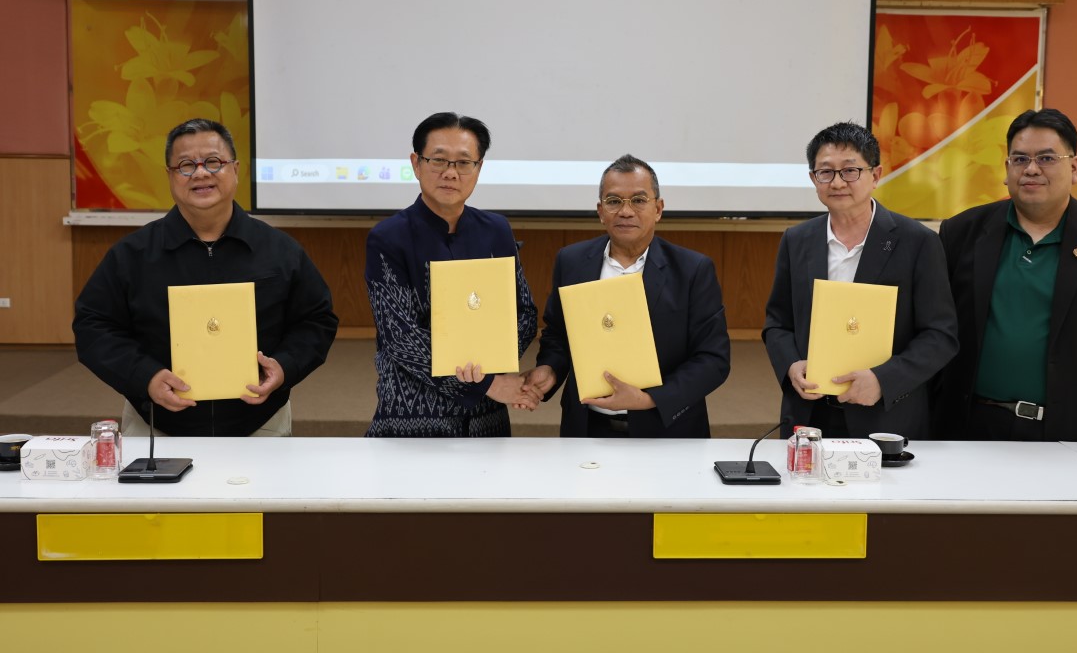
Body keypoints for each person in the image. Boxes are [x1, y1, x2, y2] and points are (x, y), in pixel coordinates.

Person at [73, 118, 339, 437]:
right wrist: (145, 376)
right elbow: (93, 326)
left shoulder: (280, 251)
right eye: (186, 165)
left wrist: (284, 367)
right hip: (156, 425)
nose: (200, 173)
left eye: (213, 162)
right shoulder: (132, 255)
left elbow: (316, 320)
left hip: (259, 423)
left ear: (235, 169)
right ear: (170, 176)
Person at [937, 108, 1077, 441]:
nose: (1031, 169)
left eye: (1047, 158)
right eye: (1020, 159)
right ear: (1007, 169)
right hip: (971, 427)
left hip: (1076, 433)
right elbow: (935, 329)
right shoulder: (961, 233)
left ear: (1074, 168)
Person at [763, 122, 957, 439]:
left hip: (884, 418)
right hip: (810, 412)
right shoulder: (796, 240)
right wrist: (791, 366)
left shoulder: (918, 242)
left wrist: (884, 379)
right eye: (826, 172)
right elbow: (777, 322)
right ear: (813, 179)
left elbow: (940, 335)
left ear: (875, 175)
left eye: (850, 171)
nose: (838, 182)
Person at [521, 155, 730, 437]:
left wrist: (649, 399)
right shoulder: (571, 261)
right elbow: (558, 335)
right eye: (614, 201)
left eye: (639, 200)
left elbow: (713, 359)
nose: (626, 211)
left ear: (658, 209)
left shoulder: (692, 270)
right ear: (600, 211)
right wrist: (550, 369)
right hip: (586, 427)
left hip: (666, 431)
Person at [365, 112, 538, 437]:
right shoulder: (388, 238)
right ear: (416, 163)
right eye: (438, 160)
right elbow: (400, 336)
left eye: (463, 162)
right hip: (413, 418)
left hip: (487, 419)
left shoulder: (496, 230)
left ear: (479, 168)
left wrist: (493, 357)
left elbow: (524, 313)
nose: (450, 173)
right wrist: (487, 383)